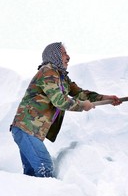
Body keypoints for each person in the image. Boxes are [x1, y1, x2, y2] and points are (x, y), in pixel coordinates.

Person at [10, 42, 121, 177]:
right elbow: (59, 100)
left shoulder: (62, 78)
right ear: (54, 55)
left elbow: (82, 94)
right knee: (44, 166)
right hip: (26, 128)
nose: (68, 57)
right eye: (64, 53)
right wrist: (82, 106)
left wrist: (106, 98)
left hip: (32, 131)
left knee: (32, 174)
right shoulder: (48, 71)